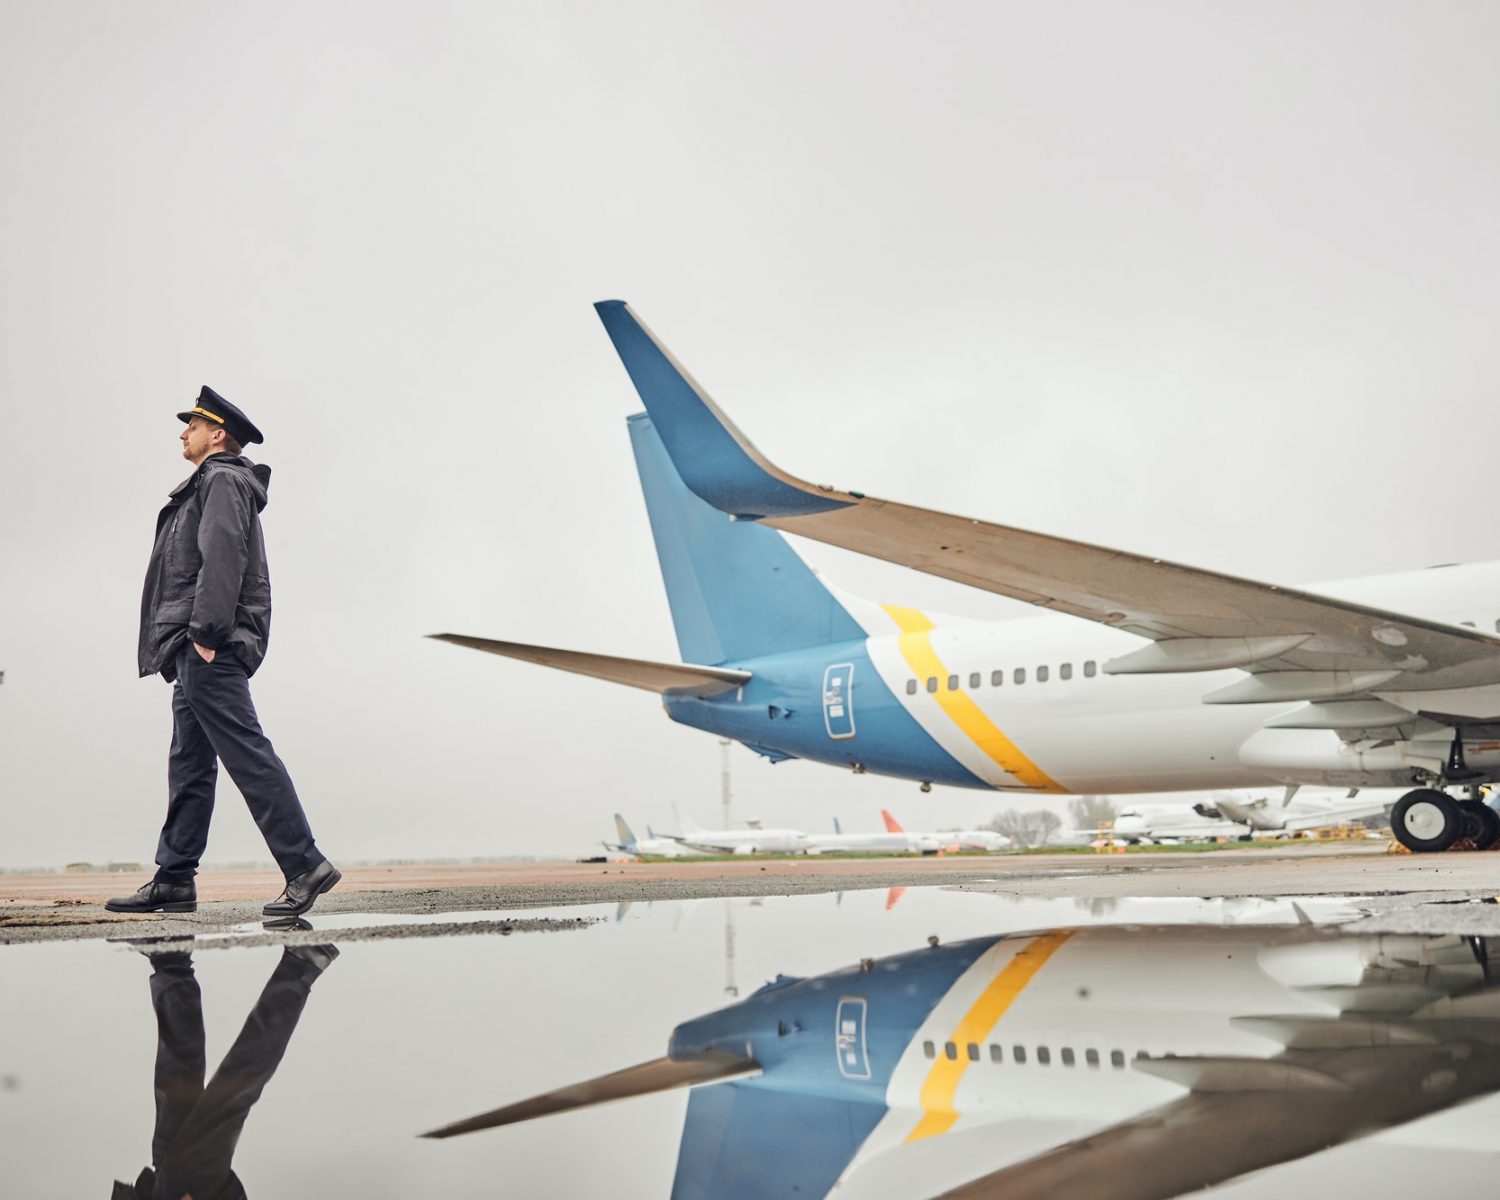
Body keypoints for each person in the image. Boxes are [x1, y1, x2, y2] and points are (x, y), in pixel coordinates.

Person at [108, 387, 339, 919]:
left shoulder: (223, 480)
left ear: (218, 434)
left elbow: (222, 558)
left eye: (192, 424)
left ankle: (305, 864)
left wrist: (207, 634)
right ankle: (174, 878)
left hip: (209, 642)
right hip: (191, 646)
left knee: (245, 752)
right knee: (189, 763)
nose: (182, 431)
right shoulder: (206, 485)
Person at [111, 942, 337, 1199]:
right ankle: (302, 964)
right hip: (191, 1189)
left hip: (167, 1186)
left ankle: (171, 962)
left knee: (178, 1074)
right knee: (236, 1084)